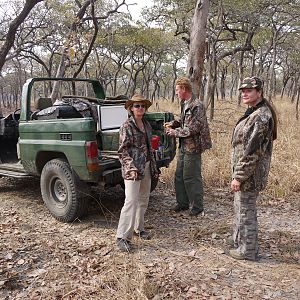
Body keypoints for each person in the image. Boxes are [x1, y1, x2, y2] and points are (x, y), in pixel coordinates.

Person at [229, 76, 277, 261]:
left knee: (246, 210)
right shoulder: (253, 112)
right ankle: (239, 241)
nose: (245, 93)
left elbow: (253, 152)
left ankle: (247, 250)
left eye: (249, 90)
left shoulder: (261, 116)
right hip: (246, 173)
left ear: (259, 92)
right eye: (243, 90)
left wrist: (239, 176)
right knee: (241, 207)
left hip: (250, 174)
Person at [116, 94, 159, 252]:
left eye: (142, 106)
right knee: (131, 202)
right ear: (131, 108)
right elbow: (122, 151)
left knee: (143, 199)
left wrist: (153, 165)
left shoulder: (146, 125)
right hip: (133, 169)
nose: (140, 108)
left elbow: (149, 147)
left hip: (146, 166)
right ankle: (122, 237)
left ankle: (138, 229)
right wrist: (131, 167)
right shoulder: (127, 126)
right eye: (136, 106)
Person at [165, 77, 212, 216]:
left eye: (177, 90)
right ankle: (182, 203)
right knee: (179, 175)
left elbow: (194, 128)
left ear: (184, 89)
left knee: (191, 176)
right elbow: (184, 121)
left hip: (193, 147)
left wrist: (175, 132)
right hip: (184, 146)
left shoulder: (197, 105)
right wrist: (174, 123)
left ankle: (197, 207)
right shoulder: (185, 104)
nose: (176, 93)